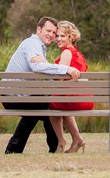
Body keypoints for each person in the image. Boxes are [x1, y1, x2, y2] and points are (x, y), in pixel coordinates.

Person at [3, 16, 81, 154]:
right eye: (48, 31)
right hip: (14, 95)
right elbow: (37, 67)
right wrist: (66, 69)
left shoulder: (38, 47)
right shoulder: (32, 44)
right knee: (50, 108)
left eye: (54, 33)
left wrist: (45, 64)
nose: (51, 35)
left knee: (38, 111)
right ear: (38, 29)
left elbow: (43, 72)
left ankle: (14, 149)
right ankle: (55, 148)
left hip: (19, 94)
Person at [32, 20, 92, 153]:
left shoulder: (66, 53)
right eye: (57, 36)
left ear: (71, 37)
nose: (58, 39)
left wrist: (42, 62)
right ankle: (77, 140)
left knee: (52, 106)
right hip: (85, 99)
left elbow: (58, 76)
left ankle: (61, 140)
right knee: (60, 103)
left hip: (75, 99)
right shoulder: (77, 54)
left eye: (62, 36)